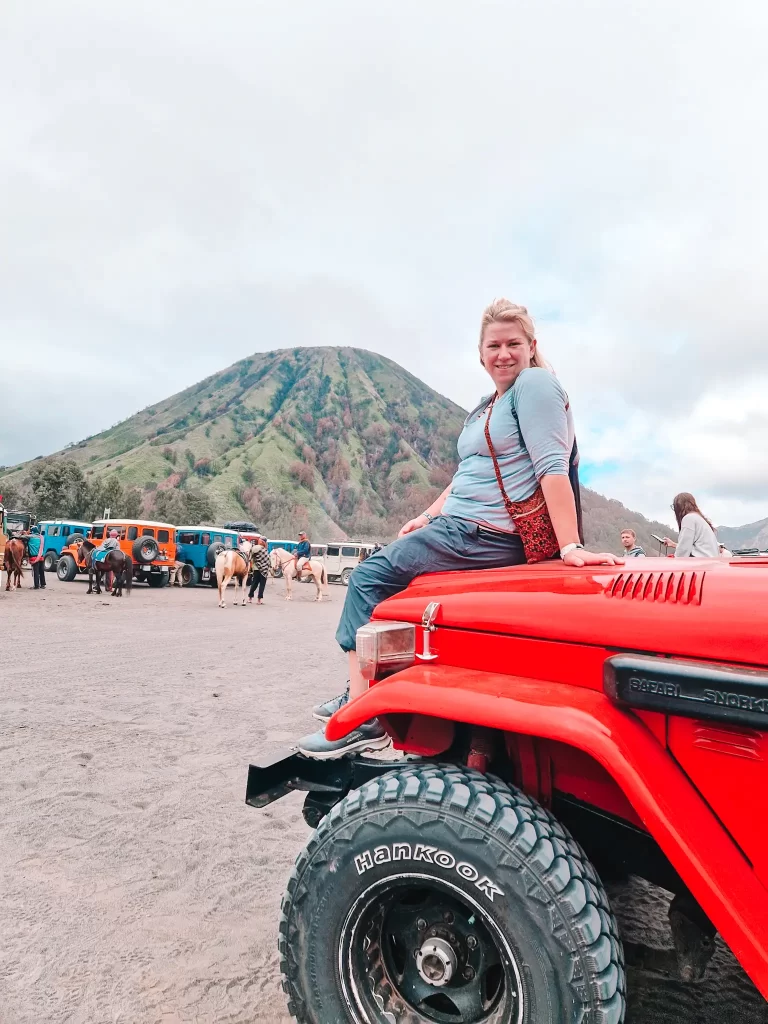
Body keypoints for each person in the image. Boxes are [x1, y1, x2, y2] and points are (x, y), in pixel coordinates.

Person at [299, 298, 622, 759]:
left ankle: (363, 713)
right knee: (397, 592)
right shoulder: (491, 403)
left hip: (482, 531)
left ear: (532, 346)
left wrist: (569, 545)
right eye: (494, 345)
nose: (504, 353)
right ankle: (365, 684)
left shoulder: (535, 386)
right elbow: (466, 473)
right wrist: (428, 516)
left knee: (367, 578)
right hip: (456, 523)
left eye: (514, 343)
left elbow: (551, 465)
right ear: (480, 353)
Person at [663, 493, 719, 558]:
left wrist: (676, 560)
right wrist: (674, 544)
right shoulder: (698, 518)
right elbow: (695, 547)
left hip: (699, 563)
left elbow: (683, 549)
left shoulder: (689, 519)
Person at [248, 536, 270, 604]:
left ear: (260, 541)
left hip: (256, 568)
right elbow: (267, 560)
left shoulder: (255, 547)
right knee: (262, 584)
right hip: (264, 570)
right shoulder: (265, 550)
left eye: (259, 540)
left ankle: (250, 598)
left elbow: (250, 556)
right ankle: (259, 600)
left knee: (254, 583)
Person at [27, 525, 46, 589]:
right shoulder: (41, 537)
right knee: (41, 571)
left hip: (34, 557)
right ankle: (43, 584)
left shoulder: (29, 537)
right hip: (41, 557)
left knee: (36, 572)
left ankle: (36, 585)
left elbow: (20, 537)